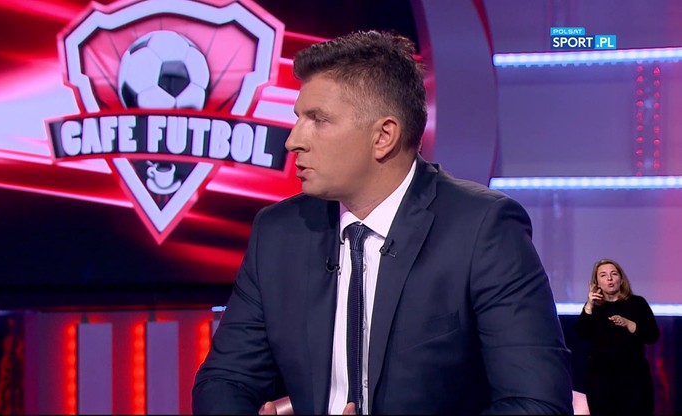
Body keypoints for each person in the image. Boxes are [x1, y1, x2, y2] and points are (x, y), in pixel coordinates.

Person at [192, 30, 572, 414]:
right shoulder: (279, 233)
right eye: (298, 119)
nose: (293, 141)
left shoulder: (483, 230)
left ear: (383, 136)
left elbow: (537, 403)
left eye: (318, 120)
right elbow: (225, 380)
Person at [575, 259, 659, 415]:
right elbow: (581, 333)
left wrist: (630, 324)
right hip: (600, 382)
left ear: (621, 279)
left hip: (634, 379)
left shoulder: (637, 303)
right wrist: (589, 305)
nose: (609, 278)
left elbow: (652, 336)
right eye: (603, 275)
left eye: (614, 274)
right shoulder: (594, 307)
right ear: (596, 283)